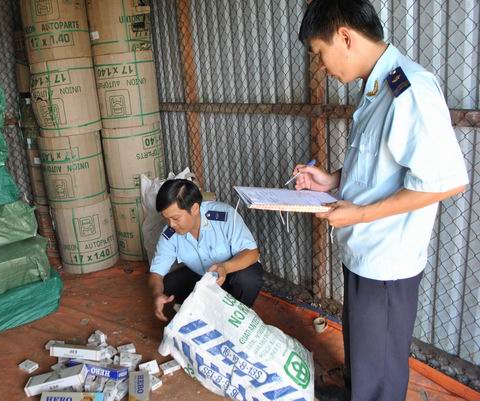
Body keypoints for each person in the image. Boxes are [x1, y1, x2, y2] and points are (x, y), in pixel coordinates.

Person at [294, 1, 469, 400]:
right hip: (364, 250)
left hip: (387, 260)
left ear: (344, 37)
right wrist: (331, 180)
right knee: (365, 354)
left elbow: (444, 182)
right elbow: (379, 166)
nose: (321, 66)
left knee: (383, 374)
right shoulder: (379, 87)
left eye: (320, 54)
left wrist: (361, 212)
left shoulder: (409, 89)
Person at [148, 179, 263, 321]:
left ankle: (238, 317)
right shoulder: (169, 234)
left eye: (176, 218)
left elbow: (252, 253)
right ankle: (202, 314)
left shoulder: (224, 216)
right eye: (166, 219)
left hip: (231, 275)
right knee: (167, 286)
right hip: (204, 277)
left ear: (195, 208)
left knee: (247, 278)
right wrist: (157, 294)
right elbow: (156, 273)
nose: (171, 224)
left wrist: (225, 267)